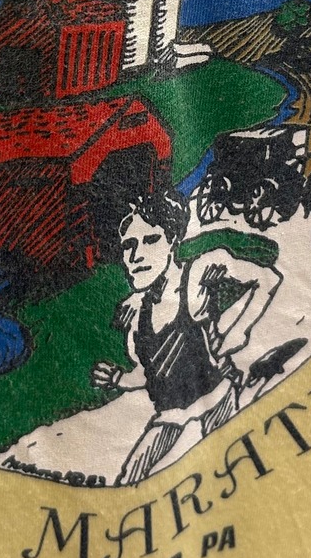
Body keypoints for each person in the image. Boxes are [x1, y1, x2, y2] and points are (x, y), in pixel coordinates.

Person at [92, 188, 282, 485]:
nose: (136, 256)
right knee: (130, 477)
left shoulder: (196, 275)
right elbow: (149, 373)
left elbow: (266, 278)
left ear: (172, 241)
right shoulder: (137, 314)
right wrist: (118, 378)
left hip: (215, 397)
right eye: (128, 246)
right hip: (170, 414)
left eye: (150, 240)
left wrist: (237, 332)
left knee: (235, 466)